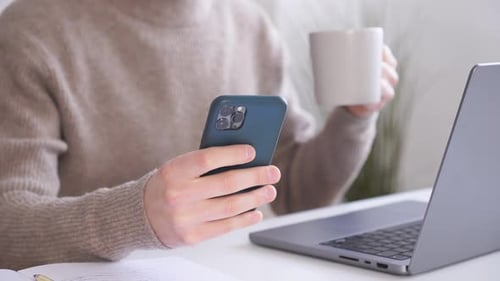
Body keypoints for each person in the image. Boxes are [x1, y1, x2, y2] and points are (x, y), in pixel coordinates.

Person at [0, 0, 398, 270]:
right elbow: (8, 225)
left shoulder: (250, 23)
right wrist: (137, 216)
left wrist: (353, 118)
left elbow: (294, 193)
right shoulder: (33, 29)